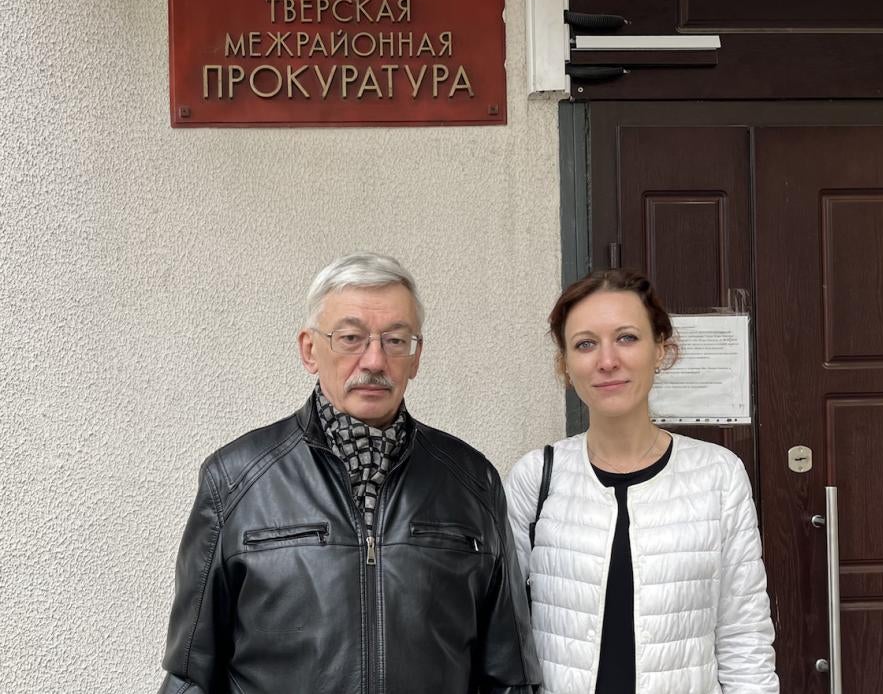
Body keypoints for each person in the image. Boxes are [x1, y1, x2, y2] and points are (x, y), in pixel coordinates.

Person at [159, 252, 540, 694]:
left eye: (396, 341)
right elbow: (191, 675)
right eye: (351, 337)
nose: (374, 361)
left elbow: (508, 677)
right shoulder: (235, 480)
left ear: (416, 357)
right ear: (309, 349)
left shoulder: (472, 482)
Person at [505, 269, 778, 694]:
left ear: (661, 351)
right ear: (565, 365)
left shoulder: (718, 475)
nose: (607, 360)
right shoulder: (536, 477)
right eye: (585, 344)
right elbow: (501, 631)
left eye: (627, 338)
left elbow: (744, 636)